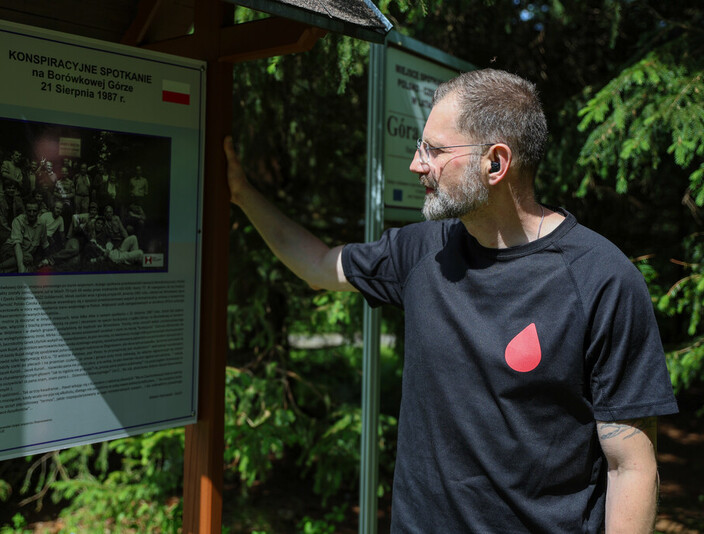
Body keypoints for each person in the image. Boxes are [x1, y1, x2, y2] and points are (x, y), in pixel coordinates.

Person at [224, 69, 678, 533]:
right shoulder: (423, 252)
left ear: (495, 163)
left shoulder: (601, 279)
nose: (417, 164)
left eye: (435, 150)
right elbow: (320, 266)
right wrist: (242, 195)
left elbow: (630, 467)